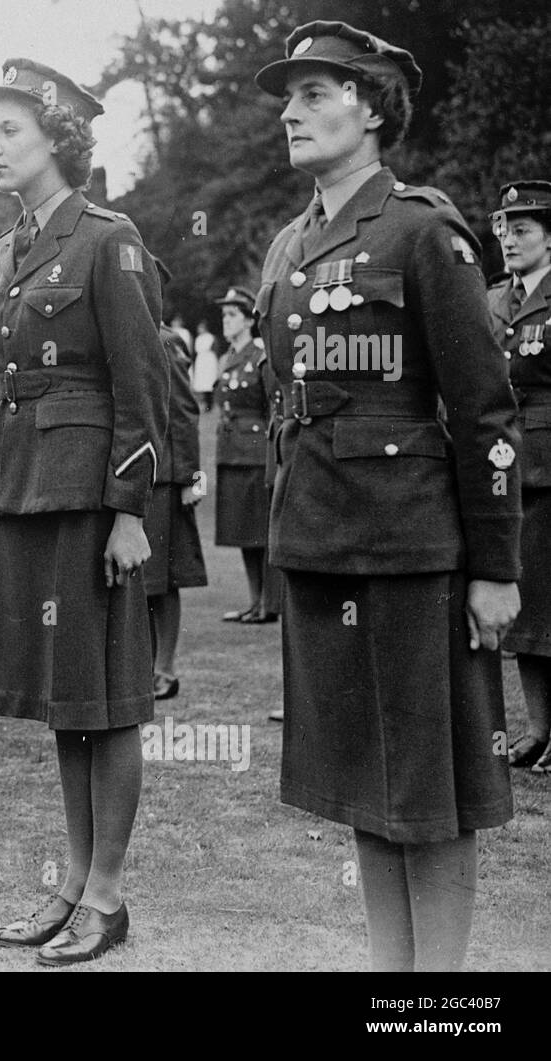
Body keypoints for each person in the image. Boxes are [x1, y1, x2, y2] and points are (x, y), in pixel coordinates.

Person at [255, 21, 522, 971]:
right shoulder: (293, 246)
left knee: (431, 788)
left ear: (371, 109)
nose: (292, 112)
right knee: (367, 786)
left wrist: (495, 568)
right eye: (289, 98)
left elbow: (485, 413)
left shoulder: (422, 229)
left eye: (317, 94)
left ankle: (437, 997)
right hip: (322, 541)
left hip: (413, 550)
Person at [0, 60, 169, 965]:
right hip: (24, 484)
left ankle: (108, 895)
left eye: (10, 129)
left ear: (58, 138)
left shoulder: (107, 238)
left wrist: (130, 509)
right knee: (65, 698)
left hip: (90, 495)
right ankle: (74, 883)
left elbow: (144, 382)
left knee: (107, 697)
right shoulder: (9, 245)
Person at [488, 180, 551, 773]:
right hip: (506, 469)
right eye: (504, 230)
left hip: (550, 467)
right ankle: (538, 729)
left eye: (523, 229)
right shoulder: (492, 301)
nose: (509, 240)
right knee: (529, 606)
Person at [147, 263, 207, 701]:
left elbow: (185, 412)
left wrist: (190, 478)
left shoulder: (165, 341)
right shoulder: (123, 333)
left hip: (165, 477)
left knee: (162, 580)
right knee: (141, 580)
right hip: (134, 474)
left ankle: (164, 669)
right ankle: (146, 667)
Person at [212, 287, 277, 624]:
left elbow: (272, 410)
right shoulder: (228, 358)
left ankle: (268, 604)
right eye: (224, 315)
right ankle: (254, 601)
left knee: (261, 533)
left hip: (254, 454)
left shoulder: (260, 356)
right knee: (242, 532)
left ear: (249, 320)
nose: (226, 321)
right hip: (231, 451)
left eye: (232, 315)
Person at [191, 319, 219, 411]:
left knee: (209, 382)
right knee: (202, 382)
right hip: (201, 360)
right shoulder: (198, 338)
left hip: (209, 360)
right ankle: (204, 403)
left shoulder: (211, 337)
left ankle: (210, 403)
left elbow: (215, 349)